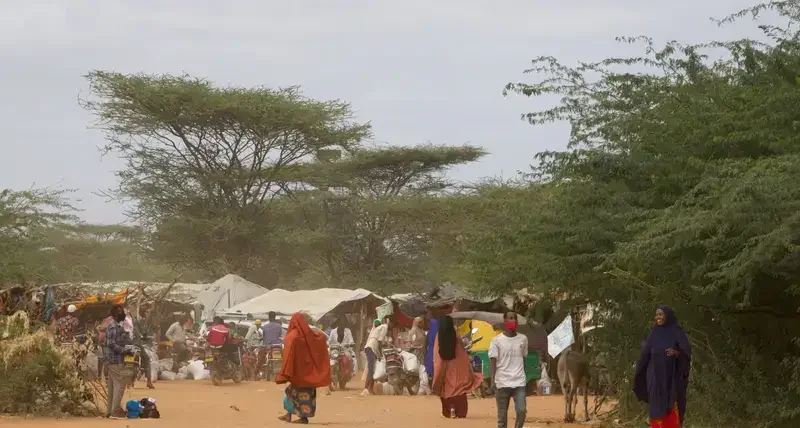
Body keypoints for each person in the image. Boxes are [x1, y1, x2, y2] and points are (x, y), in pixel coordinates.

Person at [634, 305, 692, 428]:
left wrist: (676, 353)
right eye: (656, 315)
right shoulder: (653, 333)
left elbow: (686, 354)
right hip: (654, 378)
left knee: (672, 405)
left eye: (661, 314)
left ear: (668, 316)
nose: (658, 317)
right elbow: (645, 355)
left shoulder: (677, 332)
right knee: (656, 408)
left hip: (672, 379)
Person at [277, 313, 331, 424]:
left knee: (300, 394)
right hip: (309, 372)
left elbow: (289, 354)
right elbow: (321, 339)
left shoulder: (294, 336)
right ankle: (289, 414)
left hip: (299, 372)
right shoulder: (310, 335)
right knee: (293, 392)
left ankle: (303, 418)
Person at [432, 315, 483, 418]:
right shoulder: (455, 334)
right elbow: (462, 353)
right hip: (457, 368)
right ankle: (459, 411)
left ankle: (450, 409)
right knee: (459, 389)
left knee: (446, 389)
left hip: (444, 368)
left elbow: (437, 356)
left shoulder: (439, 335)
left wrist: (438, 372)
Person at [490, 311, 528, 428]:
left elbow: (523, 358)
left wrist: (525, 377)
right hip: (502, 382)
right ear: (505, 321)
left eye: (515, 318)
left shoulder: (523, 339)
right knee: (502, 419)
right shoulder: (496, 341)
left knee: (521, 411)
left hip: (519, 382)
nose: (514, 321)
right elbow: (493, 361)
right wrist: (493, 381)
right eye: (511, 318)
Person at [105, 304, 134, 419]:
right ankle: (115, 411)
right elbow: (111, 344)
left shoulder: (117, 326)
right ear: (116, 314)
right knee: (120, 385)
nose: (123, 314)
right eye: (121, 312)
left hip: (113, 360)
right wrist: (124, 351)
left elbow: (122, 340)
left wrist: (129, 348)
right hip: (115, 359)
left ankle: (110, 411)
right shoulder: (113, 326)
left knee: (113, 386)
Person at [362, 317, 390, 395]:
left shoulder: (375, 330)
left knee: (372, 368)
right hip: (372, 348)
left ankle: (370, 388)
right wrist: (380, 354)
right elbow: (380, 341)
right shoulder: (384, 326)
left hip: (370, 348)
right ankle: (366, 388)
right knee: (371, 369)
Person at [132, 309, 155, 389]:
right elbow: (141, 332)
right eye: (146, 312)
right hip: (136, 344)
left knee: (129, 362)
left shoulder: (128, 320)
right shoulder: (139, 320)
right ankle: (149, 381)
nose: (147, 313)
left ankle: (129, 382)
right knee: (147, 359)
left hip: (128, 344)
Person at [425, 315, 439, 380]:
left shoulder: (429, 332)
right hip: (437, 349)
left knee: (430, 363)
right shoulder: (439, 332)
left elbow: (426, 343)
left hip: (430, 350)